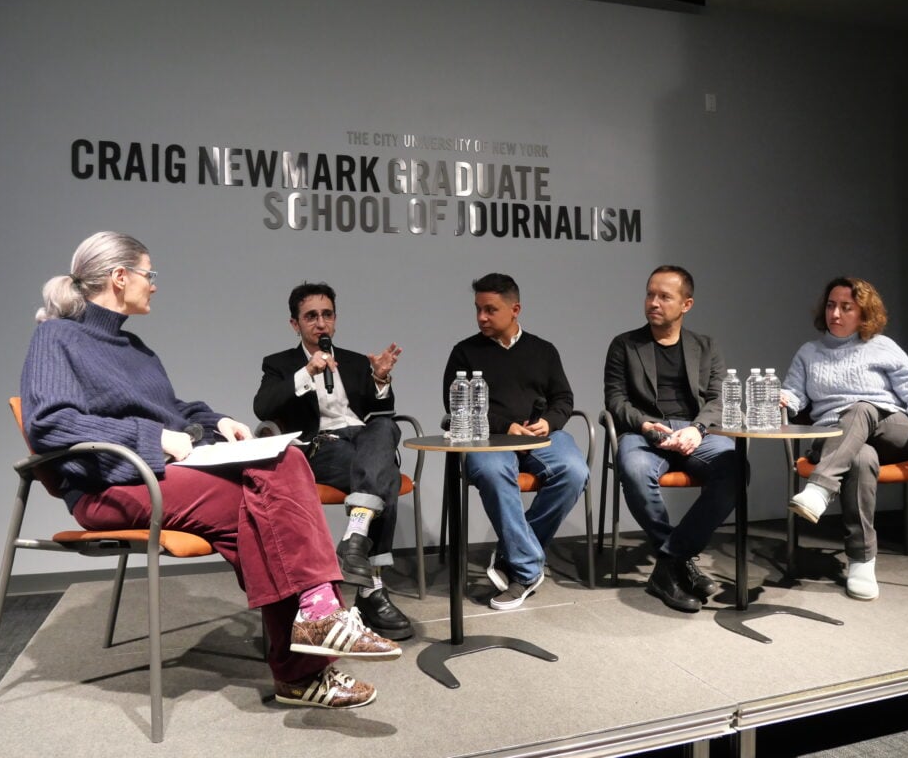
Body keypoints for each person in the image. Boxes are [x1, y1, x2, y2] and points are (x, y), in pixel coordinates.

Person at [21, 232, 400, 711]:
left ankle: (310, 641)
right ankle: (314, 634)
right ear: (119, 278)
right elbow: (49, 424)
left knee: (271, 487)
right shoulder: (57, 337)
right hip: (107, 485)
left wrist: (213, 420)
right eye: (147, 274)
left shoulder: (133, 346)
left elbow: (172, 408)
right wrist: (153, 439)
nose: (153, 285)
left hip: (155, 477)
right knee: (267, 500)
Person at [782, 276, 908, 601]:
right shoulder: (809, 353)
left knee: (861, 408)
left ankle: (820, 489)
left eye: (846, 307)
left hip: (893, 430)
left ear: (864, 313)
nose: (835, 313)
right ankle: (862, 560)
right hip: (837, 437)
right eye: (831, 305)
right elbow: (794, 394)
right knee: (861, 458)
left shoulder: (882, 346)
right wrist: (782, 399)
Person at [253, 282, 411, 640]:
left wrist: (381, 379)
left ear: (335, 320)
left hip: (366, 441)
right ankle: (371, 591)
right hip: (322, 447)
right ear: (295, 324)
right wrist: (307, 372)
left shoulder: (355, 361)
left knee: (384, 429)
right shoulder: (279, 364)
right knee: (383, 475)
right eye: (311, 316)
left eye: (327, 315)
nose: (320, 323)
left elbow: (381, 411)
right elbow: (263, 408)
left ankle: (356, 533)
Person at [442, 273, 589, 610]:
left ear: (515, 309)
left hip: (541, 436)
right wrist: (506, 426)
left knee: (574, 472)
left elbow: (563, 399)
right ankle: (525, 569)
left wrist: (547, 422)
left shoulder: (543, 350)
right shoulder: (465, 352)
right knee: (493, 474)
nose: (481, 317)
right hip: (489, 438)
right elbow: (455, 407)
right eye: (478, 309)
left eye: (490, 310)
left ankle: (514, 552)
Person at [603, 265, 736, 613]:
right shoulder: (625, 345)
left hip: (695, 430)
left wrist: (698, 429)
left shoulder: (706, 346)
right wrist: (646, 425)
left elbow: (718, 398)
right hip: (647, 430)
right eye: (650, 294)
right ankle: (679, 563)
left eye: (664, 296)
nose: (654, 302)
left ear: (686, 304)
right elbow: (616, 400)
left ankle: (669, 561)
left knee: (735, 466)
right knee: (632, 468)